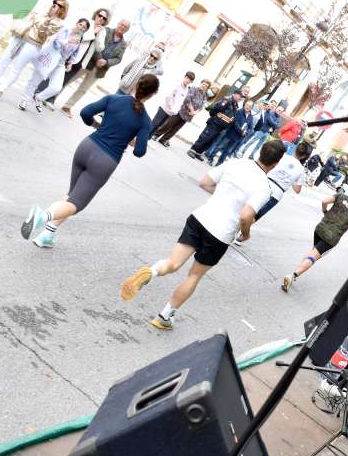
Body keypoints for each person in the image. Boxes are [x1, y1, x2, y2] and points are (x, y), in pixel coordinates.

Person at [119, 140, 286, 329]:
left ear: (260, 152)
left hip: (200, 217)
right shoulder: (264, 187)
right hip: (220, 234)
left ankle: (152, 271)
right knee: (194, 276)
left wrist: (221, 197)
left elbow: (205, 182)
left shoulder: (236, 163)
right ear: (276, 163)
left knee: (172, 263)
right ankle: (164, 316)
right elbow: (246, 214)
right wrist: (245, 233)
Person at [19, 74, 159, 248]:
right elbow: (139, 151)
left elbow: (85, 113)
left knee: (72, 195)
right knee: (77, 204)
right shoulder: (145, 120)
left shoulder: (113, 98)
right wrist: (129, 138)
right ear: (153, 94)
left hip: (86, 147)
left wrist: (97, 125)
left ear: (137, 84)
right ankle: (42, 216)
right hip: (105, 160)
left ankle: (47, 234)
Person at [280, 182, 348, 292]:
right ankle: (292, 276)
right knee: (314, 257)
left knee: (314, 250)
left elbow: (325, 201)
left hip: (320, 228)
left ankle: (298, 270)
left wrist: (325, 211)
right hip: (331, 237)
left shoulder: (341, 196)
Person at [0, 0, 68, 100]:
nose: (55, 6)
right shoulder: (42, 12)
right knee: (3, 61)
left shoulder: (58, 24)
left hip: (33, 44)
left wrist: (47, 21)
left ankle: (1, 90)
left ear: (63, 9)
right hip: (19, 37)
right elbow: (29, 19)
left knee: (16, 68)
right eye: (54, 3)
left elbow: (43, 34)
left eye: (59, 5)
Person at [36, 7, 110, 108]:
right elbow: (80, 37)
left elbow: (100, 47)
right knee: (55, 75)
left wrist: (98, 35)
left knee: (64, 80)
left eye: (104, 18)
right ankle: (39, 91)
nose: (101, 18)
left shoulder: (103, 31)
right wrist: (93, 32)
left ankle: (50, 99)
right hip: (71, 53)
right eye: (99, 15)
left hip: (83, 60)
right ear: (96, 15)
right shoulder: (87, 24)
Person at [59, 18, 129, 116]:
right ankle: (53, 95)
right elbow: (97, 42)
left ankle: (67, 106)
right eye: (121, 24)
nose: (122, 27)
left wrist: (106, 62)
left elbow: (118, 59)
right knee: (70, 79)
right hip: (89, 61)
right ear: (118, 24)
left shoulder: (123, 44)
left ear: (127, 30)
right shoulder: (106, 30)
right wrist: (99, 58)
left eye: (125, 27)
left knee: (83, 89)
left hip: (101, 69)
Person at [18, 21, 85, 113]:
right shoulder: (65, 30)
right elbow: (56, 42)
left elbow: (75, 53)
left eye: (84, 28)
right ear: (76, 23)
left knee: (56, 87)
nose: (81, 28)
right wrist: (68, 41)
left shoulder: (79, 40)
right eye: (80, 24)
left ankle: (38, 97)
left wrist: (70, 62)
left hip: (61, 63)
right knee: (35, 80)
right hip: (50, 57)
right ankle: (24, 100)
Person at [252, 140, 311, 224]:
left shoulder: (282, 156)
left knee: (248, 207)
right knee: (255, 216)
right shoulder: (301, 170)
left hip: (265, 184)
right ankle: (241, 233)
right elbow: (297, 190)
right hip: (277, 193)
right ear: (303, 156)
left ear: (295, 149)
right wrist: (292, 178)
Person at [188, 88, 244, 160]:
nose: (240, 98)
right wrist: (215, 119)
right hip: (215, 123)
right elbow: (215, 109)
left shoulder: (235, 105)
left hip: (221, 127)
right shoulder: (227, 100)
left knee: (210, 140)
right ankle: (193, 150)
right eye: (240, 96)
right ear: (235, 94)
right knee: (205, 137)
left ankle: (198, 152)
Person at [154, 78, 210, 148]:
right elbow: (187, 99)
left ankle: (163, 139)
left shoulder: (204, 95)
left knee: (176, 129)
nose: (204, 86)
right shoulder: (193, 88)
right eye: (203, 84)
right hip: (182, 111)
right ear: (201, 83)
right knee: (169, 124)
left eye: (206, 86)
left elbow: (202, 106)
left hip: (189, 116)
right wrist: (192, 110)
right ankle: (156, 134)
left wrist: (195, 112)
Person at [205, 99, 254, 165]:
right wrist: (241, 131)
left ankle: (219, 163)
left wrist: (246, 132)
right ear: (244, 104)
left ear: (252, 108)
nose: (248, 107)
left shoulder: (251, 117)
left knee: (227, 151)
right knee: (220, 146)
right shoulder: (239, 111)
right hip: (230, 133)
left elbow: (251, 128)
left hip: (238, 137)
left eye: (250, 106)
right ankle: (210, 158)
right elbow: (235, 122)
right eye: (247, 105)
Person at [149, 70, 194, 135]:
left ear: (191, 82)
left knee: (158, 126)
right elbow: (168, 96)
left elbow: (180, 101)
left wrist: (175, 110)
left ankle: (146, 139)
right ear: (185, 77)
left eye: (190, 80)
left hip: (171, 112)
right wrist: (170, 107)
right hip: (164, 108)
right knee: (154, 124)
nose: (188, 80)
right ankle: (141, 138)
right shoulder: (177, 84)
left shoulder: (186, 89)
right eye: (187, 78)